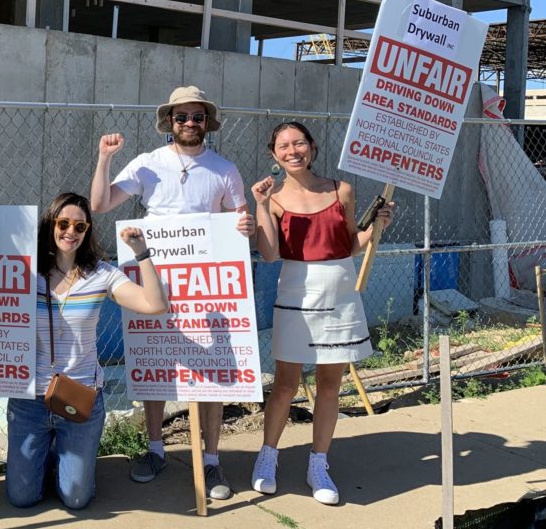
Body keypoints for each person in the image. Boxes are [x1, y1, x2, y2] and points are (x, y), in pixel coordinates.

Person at [90, 85, 254, 496]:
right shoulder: (147, 163)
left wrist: (246, 224)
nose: (189, 123)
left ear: (207, 123)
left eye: (197, 116)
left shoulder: (225, 169)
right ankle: (155, 449)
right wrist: (105, 158)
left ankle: (211, 461)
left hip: (206, 284)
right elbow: (100, 204)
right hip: (155, 279)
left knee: (214, 370)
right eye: (182, 116)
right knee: (157, 364)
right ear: (169, 121)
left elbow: (240, 222)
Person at [249, 121, 394, 505]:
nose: (292, 151)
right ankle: (267, 457)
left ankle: (318, 463)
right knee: (285, 384)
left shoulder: (341, 189)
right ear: (274, 154)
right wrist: (260, 205)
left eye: (299, 143)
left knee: (331, 385)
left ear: (312, 147)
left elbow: (350, 244)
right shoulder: (273, 198)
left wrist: (376, 227)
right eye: (283, 146)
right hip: (296, 295)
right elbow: (269, 253)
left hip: (341, 295)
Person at [6, 192, 168, 509]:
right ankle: (49, 455)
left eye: (80, 227)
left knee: (76, 498)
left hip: (80, 399)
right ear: (50, 225)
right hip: (30, 401)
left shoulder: (102, 274)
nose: (71, 232)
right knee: (21, 497)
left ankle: (65, 459)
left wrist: (142, 253)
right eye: (63, 224)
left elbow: (155, 304)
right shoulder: (26, 273)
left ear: (88, 231)